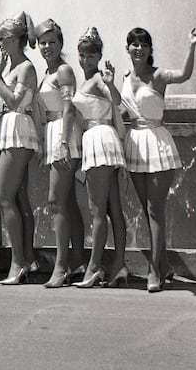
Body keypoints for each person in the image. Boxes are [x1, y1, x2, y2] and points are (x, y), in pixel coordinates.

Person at [120, 24, 196, 292]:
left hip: (157, 143)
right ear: (127, 48)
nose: (138, 48)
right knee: (148, 213)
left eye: (143, 45)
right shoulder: (124, 77)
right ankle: (166, 264)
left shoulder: (158, 75)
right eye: (134, 44)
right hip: (135, 143)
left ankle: (154, 270)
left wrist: (192, 46)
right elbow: (121, 111)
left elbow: (184, 75)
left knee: (155, 210)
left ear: (150, 50)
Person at [71, 27, 127, 289]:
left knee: (97, 209)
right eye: (82, 54)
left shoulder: (96, 80)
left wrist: (112, 83)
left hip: (99, 139)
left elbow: (118, 102)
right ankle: (119, 265)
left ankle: (94, 268)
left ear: (99, 55)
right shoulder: (87, 81)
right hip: (99, 139)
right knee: (113, 208)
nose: (86, 59)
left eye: (91, 54)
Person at [35, 19, 85, 287]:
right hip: (55, 134)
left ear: (60, 43)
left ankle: (61, 266)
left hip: (65, 136)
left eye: (52, 42)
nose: (47, 47)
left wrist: (64, 142)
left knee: (56, 202)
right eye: (43, 42)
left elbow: (69, 109)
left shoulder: (64, 71)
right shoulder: (48, 72)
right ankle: (76, 262)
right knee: (68, 203)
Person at [0, 12, 40, 285]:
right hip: (11, 131)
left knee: (6, 197)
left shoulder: (25, 68)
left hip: (18, 131)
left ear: (15, 40)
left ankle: (18, 261)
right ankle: (28, 258)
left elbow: (13, 102)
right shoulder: (16, 67)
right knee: (18, 198)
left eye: (3, 38)